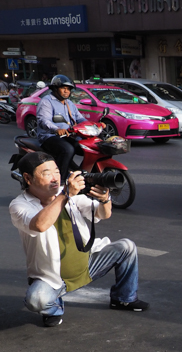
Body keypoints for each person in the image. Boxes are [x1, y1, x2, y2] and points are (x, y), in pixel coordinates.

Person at [9, 152, 149, 327]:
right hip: (52, 278)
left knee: (126, 247)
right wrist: (65, 195)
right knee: (36, 300)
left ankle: (124, 299)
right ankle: (55, 307)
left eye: (57, 171)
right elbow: (39, 225)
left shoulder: (67, 194)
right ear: (28, 178)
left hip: (88, 264)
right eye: (47, 173)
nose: (55, 178)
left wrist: (105, 199)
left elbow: (103, 214)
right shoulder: (19, 205)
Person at [37, 75, 89, 185]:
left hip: (68, 135)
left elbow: (80, 118)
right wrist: (56, 129)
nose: (66, 91)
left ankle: (83, 175)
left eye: (68, 89)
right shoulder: (47, 101)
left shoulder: (69, 103)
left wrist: (93, 125)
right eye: (63, 88)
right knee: (68, 149)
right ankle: (60, 182)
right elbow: (44, 120)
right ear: (55, 88)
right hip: (50, 136)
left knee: (86, 147)